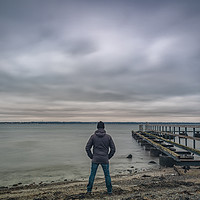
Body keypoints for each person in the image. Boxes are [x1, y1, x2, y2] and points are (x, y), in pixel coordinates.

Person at [85, 121, 116, 194]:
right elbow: (113, 149)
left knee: (92, 175)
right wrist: (108, 157)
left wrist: (91, 156)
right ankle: (109, 191)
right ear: (104, 127)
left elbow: (87, 148)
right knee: (107, 175)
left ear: (97, 127)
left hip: (95, 158)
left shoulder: (93, 136)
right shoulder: (108, 137)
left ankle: (89, 190)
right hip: (105, 159)